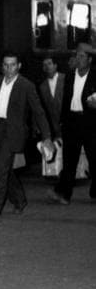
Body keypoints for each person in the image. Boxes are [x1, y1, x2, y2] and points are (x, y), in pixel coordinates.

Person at [0, 51, 53, 219]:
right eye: (5, 65)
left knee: (2, 169)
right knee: (3, 169)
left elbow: (39, 112)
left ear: (19, 66)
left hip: (12, 131)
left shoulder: (26, 85)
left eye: (12, 65)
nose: (8, 68)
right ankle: (19, 200)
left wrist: (47, 137)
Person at [51, 43, 96, 205]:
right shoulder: (70, 76)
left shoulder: (94, 76)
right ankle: (64, 193)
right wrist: (61, 122)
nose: (78, 59)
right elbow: (65, 101)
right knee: (69, 160)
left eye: (82, 56)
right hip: (72, 122)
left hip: (91, 123)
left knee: (94, 158)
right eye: (77, 56)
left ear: (90, 60)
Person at [37, 55, 65, 141]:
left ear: (55, 65)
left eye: (49, 63)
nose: (47, 67)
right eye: (44, 65)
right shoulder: (42, 86)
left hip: (68, 125)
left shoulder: (66, 79)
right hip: (53, 129)